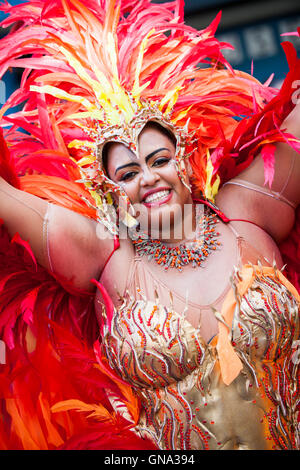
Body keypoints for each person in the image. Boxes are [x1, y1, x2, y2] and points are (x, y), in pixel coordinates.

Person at [0, 0, 299, 450]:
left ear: (185, 160)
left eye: (159, 160)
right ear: (112, 196)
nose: (149, 178)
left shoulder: (245, 215)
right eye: (127, 174)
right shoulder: (107, 256)